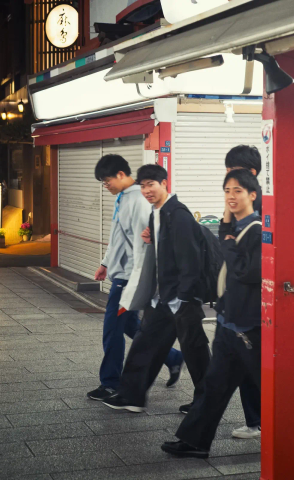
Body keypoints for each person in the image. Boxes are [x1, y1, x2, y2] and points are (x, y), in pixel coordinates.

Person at [161, 169, 294, 458]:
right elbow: (227, 245)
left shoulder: (256, 230)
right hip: (229, 322)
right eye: (227, 191)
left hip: (247, 326)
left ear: (252, 195)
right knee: (213, 386)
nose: (231, 196)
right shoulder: (237, 226)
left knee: (269, 386)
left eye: (238, 191)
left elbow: (247, 271)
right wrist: (226, 223)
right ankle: (194, 441)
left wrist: (229, 242)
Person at [102, 164, 210, 413]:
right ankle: (132, 396)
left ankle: (206, 402)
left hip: (182, 299)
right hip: (163, 297)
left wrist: (184, 298)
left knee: (196, 354)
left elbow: (190, 259)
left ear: (165, 184)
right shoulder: (157, 213)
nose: (146, 190)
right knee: (144, 344)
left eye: (151, 184)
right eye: (142, 185)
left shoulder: (179, 214)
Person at [87, 155, 183, 402]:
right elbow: (118, 236)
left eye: (107, 181)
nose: (105, 186)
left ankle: (110, 383)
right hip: (122, 274)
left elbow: (144, 245)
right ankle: (172, 357)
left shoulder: (137, 201)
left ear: (121, 175)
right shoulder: (124, 198)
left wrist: (137, 282)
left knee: (112, 329)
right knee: (130, 326)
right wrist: (106, 263)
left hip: (128, 278)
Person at [218, 145, 263, 440]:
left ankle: (267, 425)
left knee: (255, 373)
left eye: (235, 174)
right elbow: (224, 238)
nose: (230, 185)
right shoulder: (237, 205)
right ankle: (257, 421)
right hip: (232, 306)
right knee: (244, 372)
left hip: (249, 308)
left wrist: (231, 244)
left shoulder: (260, 214)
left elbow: (247, 267)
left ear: (252, 176)